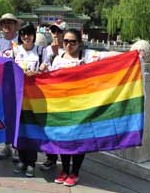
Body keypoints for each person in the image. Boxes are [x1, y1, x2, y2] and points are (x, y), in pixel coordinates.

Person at [50, 28, 119, 187]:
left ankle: (75, 172)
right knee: (64, 139)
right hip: (63, 106)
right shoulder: (58, 59)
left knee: (80, 140)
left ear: (80, 43)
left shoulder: (88, 55)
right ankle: (65, 169)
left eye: (73, 42)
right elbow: (51, 80)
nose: (69, 45)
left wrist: (133, 53)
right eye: (66, 41)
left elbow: (107, 56)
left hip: (83, 106)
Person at [12, 23, 46, 178]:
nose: (26, 37)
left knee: (32, 129)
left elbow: (47, 68)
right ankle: (21, 160)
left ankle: (31, 163)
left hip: (34, 98)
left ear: (34, 35)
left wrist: (38, 72)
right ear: (20, 36)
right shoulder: (15, 50)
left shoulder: (40, 51)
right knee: (18, 130)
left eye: (30, 34)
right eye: (24, 34)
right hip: (17, 97)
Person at [40, 20, 67, 171]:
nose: (56, 34)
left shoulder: (70, 47)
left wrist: (58, 54)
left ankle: (65, 159)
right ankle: (50, 158)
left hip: (65, 94)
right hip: (50, 92)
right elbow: (44, 68)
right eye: (53, 31)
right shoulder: (46, 49)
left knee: (63, 128)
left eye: (59, 31)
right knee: (49, 127)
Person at [0, 13, 20, 160]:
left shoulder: (22, 41)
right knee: (5, 115)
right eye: (4, 23)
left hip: (18, 83)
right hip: (2, 83)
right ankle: (6, 146)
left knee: (18, 115)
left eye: (10, 23)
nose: (7, 25)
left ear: (16, 25)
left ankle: (18, 146)